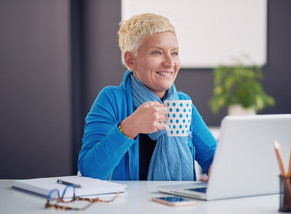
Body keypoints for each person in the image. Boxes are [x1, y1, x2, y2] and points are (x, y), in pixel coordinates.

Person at [78, 13, 217, 181]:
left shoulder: (182, 103)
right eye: (157, 52)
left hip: (181, 206)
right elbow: (90, 172)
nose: (170, 63)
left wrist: (217, 172)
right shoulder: (112, 100)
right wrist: (130, 127)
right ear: (130, 60)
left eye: (174, 53)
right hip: (127, 207)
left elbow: (215, 158)